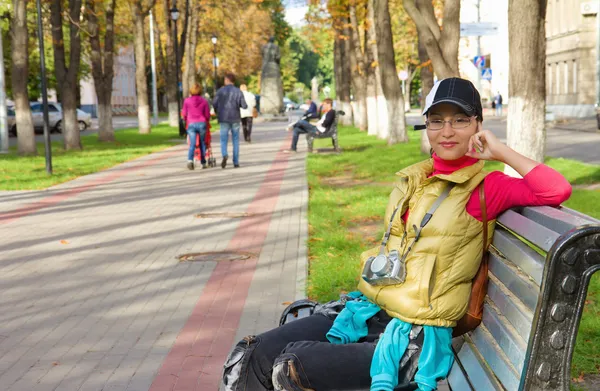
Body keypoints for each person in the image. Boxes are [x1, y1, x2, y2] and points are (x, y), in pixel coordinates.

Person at [221, 77, 572, 391]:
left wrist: (499, 151)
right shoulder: (416, 179)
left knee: (293, 365)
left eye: (460, 120)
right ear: (427, 126)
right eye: (437, 121)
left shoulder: (487, 187)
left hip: (416, 335)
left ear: (477, 125)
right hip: (373, 311)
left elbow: (555, 189)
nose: (447, 131)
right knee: (254, 353)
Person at [213, 73, 247, 168]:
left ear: (227, 80)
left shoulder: (220, 91)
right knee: (235, 140)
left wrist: (217, 111)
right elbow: (244, 105)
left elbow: (214, 103)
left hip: (223, 118)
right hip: (235, 118)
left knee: (223, 139)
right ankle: (236, 162)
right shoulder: (238, 91)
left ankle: (224, 154)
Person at [181, 83, 210, 170]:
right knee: (202, 143)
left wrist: (186, 120)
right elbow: (207, 115)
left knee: (192, 144)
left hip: (191, 123)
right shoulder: (204, 101)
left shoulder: (186, 101)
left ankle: (190, 160)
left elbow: (184, 114)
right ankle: (203, 162)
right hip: (201, 123)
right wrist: (206, 120)